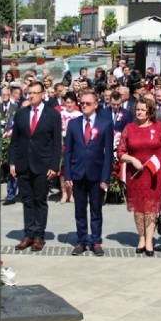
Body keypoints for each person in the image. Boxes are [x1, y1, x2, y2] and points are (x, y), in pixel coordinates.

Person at [8, 80, 62, 252]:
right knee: (27, 200)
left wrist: (54, 166)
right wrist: (12, 162)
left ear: (42, 94)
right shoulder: (21, 114)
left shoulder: (52, 115)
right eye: (29, 93)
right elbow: (15, 141)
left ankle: (39, 235)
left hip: (43, 165)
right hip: (23, 164)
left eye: (34, 93)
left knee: (40, 200)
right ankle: (29, 234)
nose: (31, 96)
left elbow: (56, 144)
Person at [116, 98, 161, 256]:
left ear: (150, 111)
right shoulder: (129, 128)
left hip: (155, 174)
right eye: (137, 110)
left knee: (151, 209)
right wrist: (132, 159)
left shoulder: (159, 127)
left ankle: (149, 240)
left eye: (142, 110)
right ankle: (141, 237)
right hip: (136, 174)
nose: (139, 112)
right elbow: (120, 152)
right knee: (139, 208)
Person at [64, 90, 114, 257]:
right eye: (82, 103)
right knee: (79, 210)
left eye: (88, 103)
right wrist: (68, 175)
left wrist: (106, 177)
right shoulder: (73, 124)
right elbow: (68, 152)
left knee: (96, 210)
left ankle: (96, 241)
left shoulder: (105, 124)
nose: (84, 105)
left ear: (95, 105)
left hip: (96, 174)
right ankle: (81, 241)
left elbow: (108, 154)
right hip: (78, 173)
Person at [58, 92, 81, 204]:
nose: (69, 104)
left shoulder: (79, 114)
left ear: (75, 103)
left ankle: (72, 193)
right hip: (63, 144)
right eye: (67, 102)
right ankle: (64, 193)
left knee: (72, 169)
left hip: (75, 145)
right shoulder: (60, 114)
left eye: (71, 102)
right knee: (63, 170)